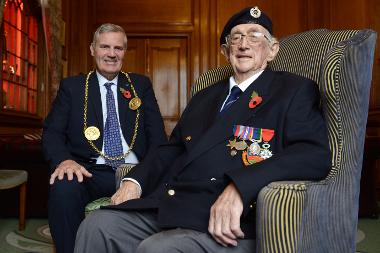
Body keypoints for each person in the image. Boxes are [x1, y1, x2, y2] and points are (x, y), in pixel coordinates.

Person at [74, 7, 331, 253]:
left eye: (255, 36)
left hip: (228, 218)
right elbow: (172, 149)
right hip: (174, 202)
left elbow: (312, 154)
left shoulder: (292, 90)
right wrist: (135, 181)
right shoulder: (205, 96)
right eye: (236, 37)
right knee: (97, 226)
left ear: (272, 50)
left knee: (158, 249)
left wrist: (240, 187)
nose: (244, 44)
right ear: (225, 50)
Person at [42, 23, 167, 253]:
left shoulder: (140, 85)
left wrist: (142, 176)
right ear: (92, 49)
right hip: (90, 172)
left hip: (134, 171)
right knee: (63, 188)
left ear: (124, 52)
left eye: (118, 48)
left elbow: (159, 140)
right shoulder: (73, 87)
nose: (111, 54)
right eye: (105, 47)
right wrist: (64, 160)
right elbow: (52, 133)